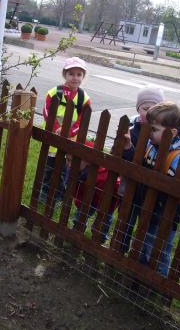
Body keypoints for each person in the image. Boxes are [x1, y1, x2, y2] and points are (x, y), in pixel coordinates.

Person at [122, 102, 180, 277]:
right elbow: (140, 168)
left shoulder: (179, 156)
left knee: (157, 252)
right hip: (148, 209)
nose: (148, 132)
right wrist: (129, 148)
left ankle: (157, 284)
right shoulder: (153, 146)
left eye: (154, 129)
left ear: (172, 133)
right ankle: (139, 278)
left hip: (164, 216)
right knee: (143, 245)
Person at [40, 57, 91, 203]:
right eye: (71, 74)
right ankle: (44, 192)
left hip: (71, 138)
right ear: (64, 74)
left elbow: (82, 121)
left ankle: (60, 195)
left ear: (83, 77)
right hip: (52, 136)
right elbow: (46, 111)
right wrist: (56, 128)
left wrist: (68, 132)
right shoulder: (54, 92)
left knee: (65, 169)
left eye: (79, 74)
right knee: (49, 166)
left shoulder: (84, 98)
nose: (75, 78)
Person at [67, 139, 120, 243]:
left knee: (104, 220)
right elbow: (79, 194)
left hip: (105, 201)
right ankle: (77, 230)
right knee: (81, 213)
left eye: (71, 161)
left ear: (87, 160)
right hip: (88, 198)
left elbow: (107, 204)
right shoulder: (78, 172)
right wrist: (80, 204)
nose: (68, 165)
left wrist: (104, 212)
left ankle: (99, 239)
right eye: (67, 160)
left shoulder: (102, 178)